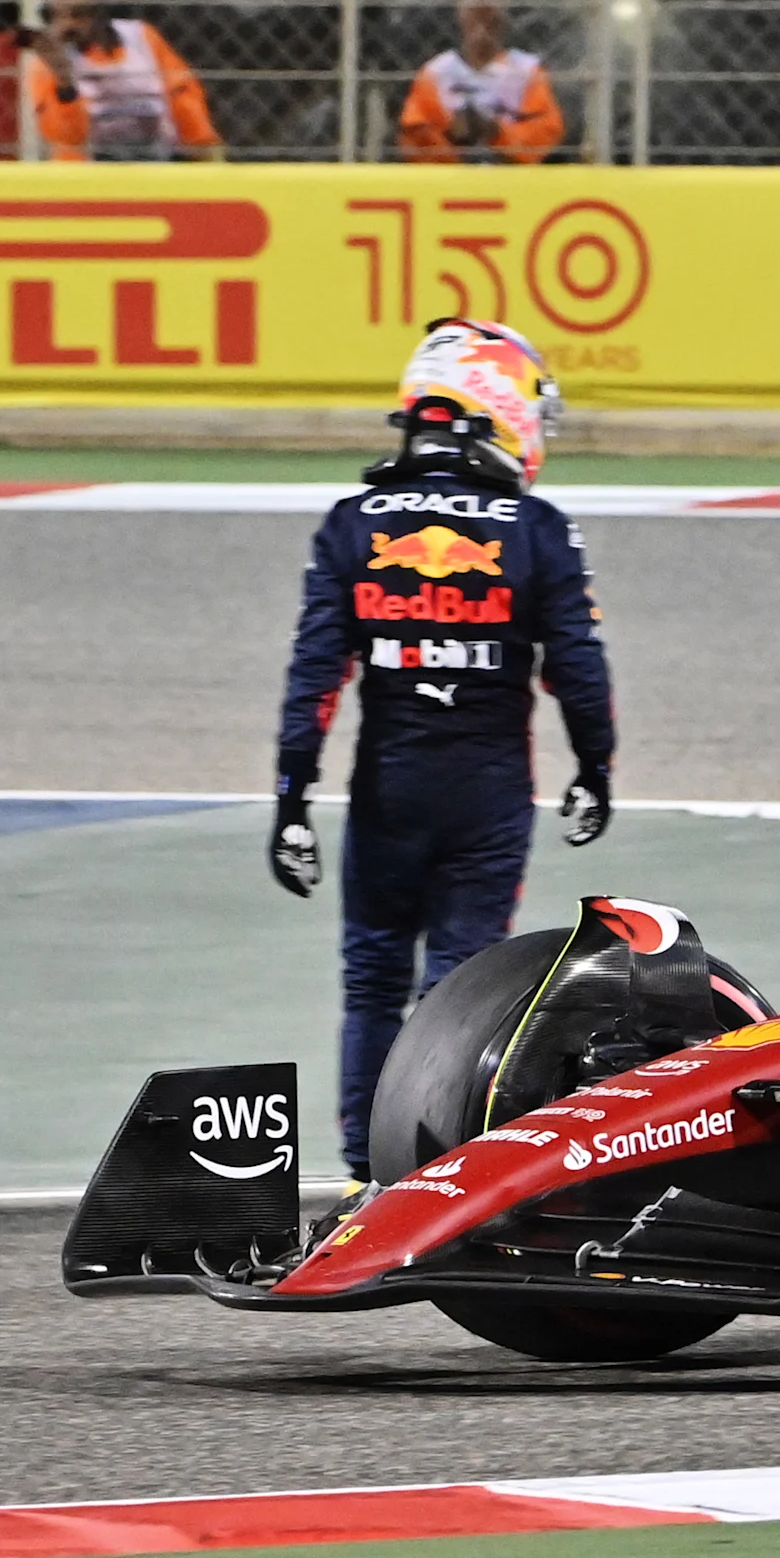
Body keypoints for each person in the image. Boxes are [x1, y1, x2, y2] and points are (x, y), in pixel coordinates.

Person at [272, 321, 614, 1182]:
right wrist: (596, 766)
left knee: (371, 982)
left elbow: (315, 675)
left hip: (387, 788)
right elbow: (578, 667)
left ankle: (365, 1172)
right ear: (496, 406)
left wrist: (291, 799)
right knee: (462, 983)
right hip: (487, 791)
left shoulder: (352, 523)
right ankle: (442, 1170)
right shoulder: (536, 528)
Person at [26, 0, 226, 163]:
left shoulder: (140, 37)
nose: (67, 25)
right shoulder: (47, 63)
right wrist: (64, 83)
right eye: (51, 15)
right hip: (88, 171)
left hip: (157, 160)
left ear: (98, 11)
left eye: (79, 14)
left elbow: (182, 92)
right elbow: (68, 138)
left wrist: (201, 144)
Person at [399, 0, 567, 165]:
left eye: (490, 21)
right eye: (475, 19)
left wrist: (496, 132)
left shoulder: (527, 70)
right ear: (461, 18)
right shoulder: (436, 72)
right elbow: (414, 135)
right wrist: (453, 138)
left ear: (503, 21)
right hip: (452, 174)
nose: (482, 29)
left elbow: (546, 129)